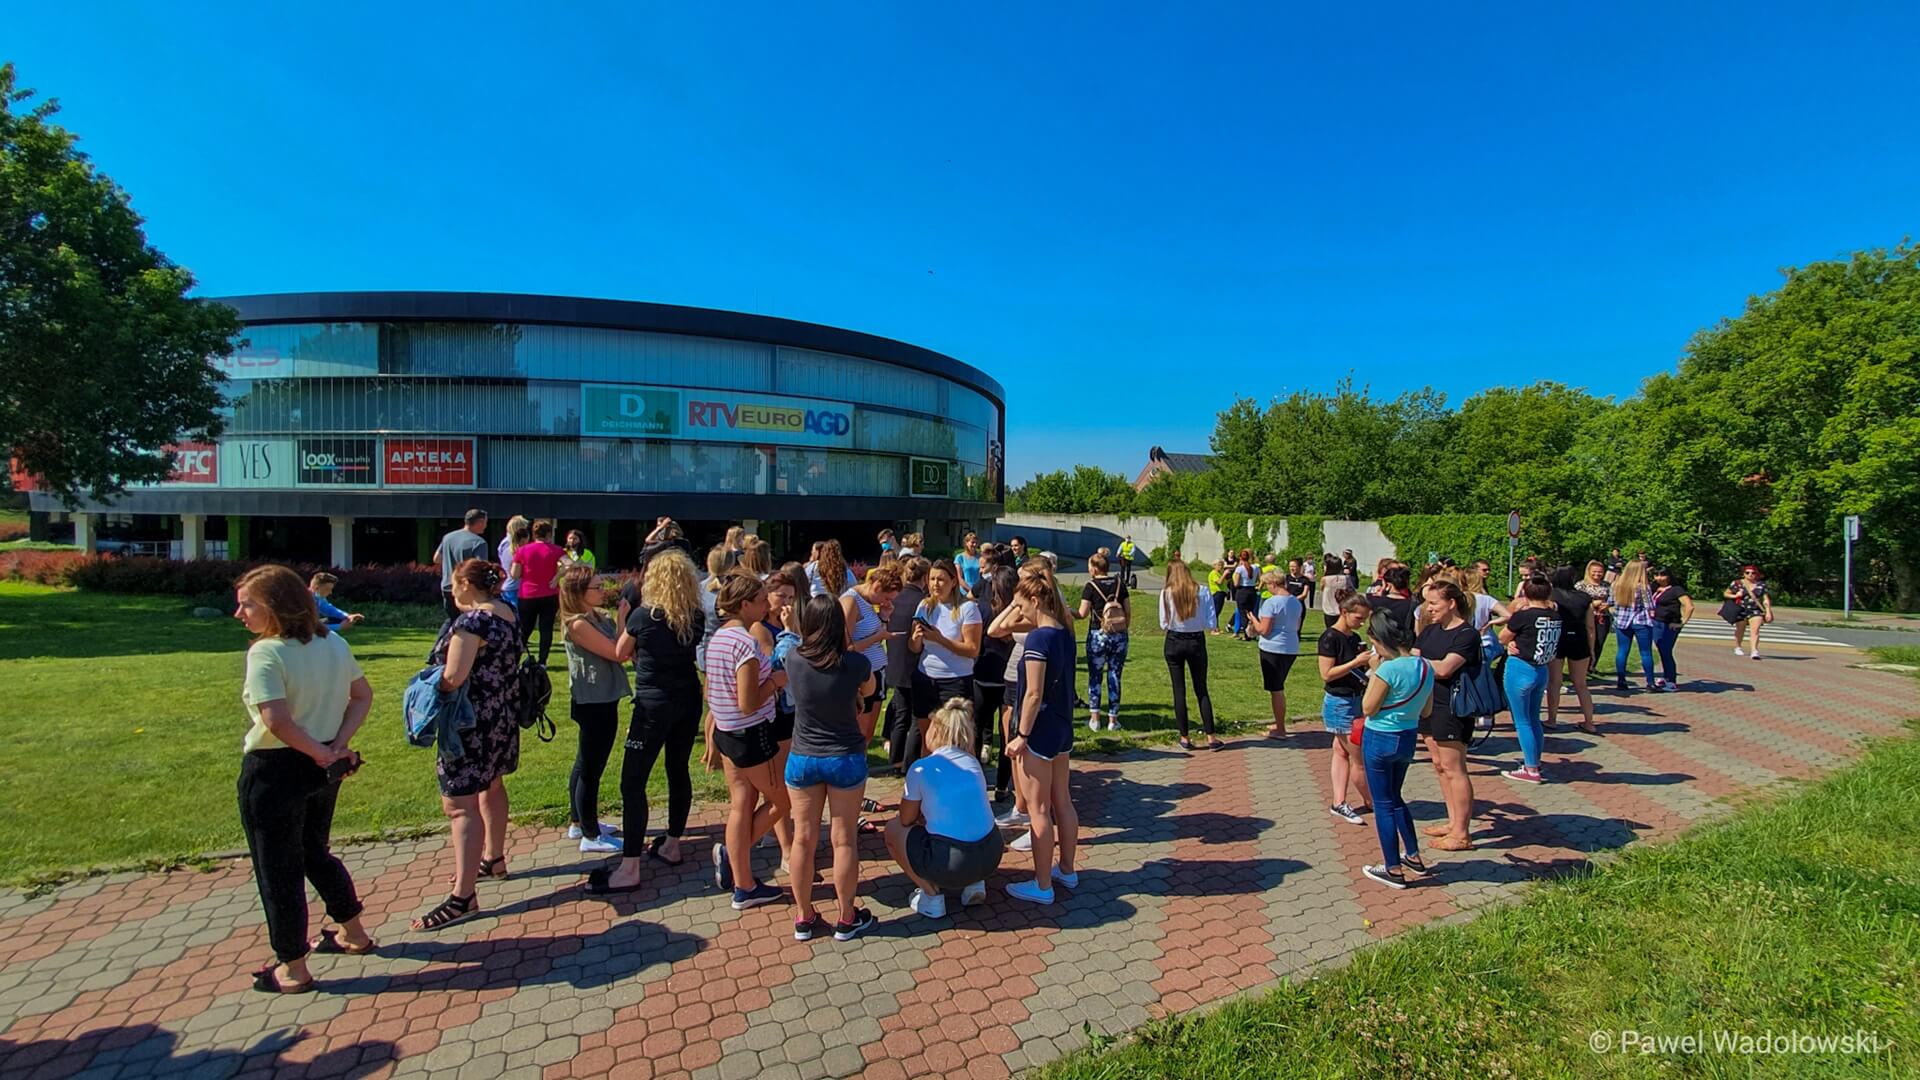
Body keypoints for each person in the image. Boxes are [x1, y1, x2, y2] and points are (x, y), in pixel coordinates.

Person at [233, 565, 374, 993]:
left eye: (247, 604)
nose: (239, 613)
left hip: (276, 769)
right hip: (323, 767)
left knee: (278, 867)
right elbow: (362, 695)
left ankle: (292, 965)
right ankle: (353, 931)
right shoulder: (331, 642)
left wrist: (320, 750)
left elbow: (275, 719)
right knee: (315, 851)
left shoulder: (267, 652)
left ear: (274, 606)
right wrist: (336, 746)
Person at [589, 549, 705, 894]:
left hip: (653, 704)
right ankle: (672, 842)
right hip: (687, 699)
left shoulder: (644, 616)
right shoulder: (694, 615)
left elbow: (622, 652)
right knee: (677, 769)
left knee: (633, 781)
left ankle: (629, 867)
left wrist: (623, 617)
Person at [415, 558, 521, 931]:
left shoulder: (472, 622)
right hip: (501, 719)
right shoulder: (507, 614)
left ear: (466, 583)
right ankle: (493, 857)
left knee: (459, 805)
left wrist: (427, 684)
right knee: (492, 785)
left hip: (469, 725)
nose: (451, 590)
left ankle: (464, 896)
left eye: (455, 583)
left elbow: (453, 677)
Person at [783, 595, 880, 941]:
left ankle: (804, 915)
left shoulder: (793, 658)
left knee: (803, 840)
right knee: (843, 840)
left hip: (804, 757)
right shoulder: (854, 664)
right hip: (844, 757)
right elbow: (869, 690)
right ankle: (846, 916)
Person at [704, 573, 791, 911]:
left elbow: (713, 688)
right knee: (781, 802)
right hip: (751, 731)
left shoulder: (719, 638)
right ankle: (735, 858)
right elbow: (749, 700)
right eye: (760, 600)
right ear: (744, 605)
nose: (766, 604)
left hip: (728, 731)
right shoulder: (745, 643)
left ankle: (742, 879)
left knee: (742, 804)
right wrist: (777, 682)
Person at [887, 698, 1004, 918]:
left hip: (952, 861)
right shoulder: (972, 762)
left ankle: (931, 896)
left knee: (893, 829)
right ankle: (975, 884)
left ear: (937, 732)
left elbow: (905, 819)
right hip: (991, 853)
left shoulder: (922, 767)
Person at [1002, 572, 1079, 904]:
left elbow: (1033, 694)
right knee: (1063, 799)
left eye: (1021, 606)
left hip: (1040, 730)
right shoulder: (1065, 632)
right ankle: (1068, 868)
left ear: (1036, 601)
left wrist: (1022, 735)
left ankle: (1043, 884)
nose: (1019, 614)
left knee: (1038, 809)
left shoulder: (1037, 639)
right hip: (1062, 727)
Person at [1357, 609, 1434, 890]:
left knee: (1383, 804)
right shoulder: (1424, 665)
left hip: (1380, 736)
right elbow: (1426, 709)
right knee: (1395, 796)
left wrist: (1376, 670)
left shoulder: (1388, 668)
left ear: (1380, 639)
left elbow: (1368, 706)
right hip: (1408, 735)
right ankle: (1412, 854)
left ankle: (1392, 868)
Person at [558, 565, 629, 854]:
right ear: (578, 593)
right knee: (590, 766)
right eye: (596, 588)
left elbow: (619, 643)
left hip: (604, 696)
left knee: (585, 761)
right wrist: (624, 617)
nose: (603, 592)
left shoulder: (596, 616)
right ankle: (590, 833)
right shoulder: (576, 624)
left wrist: (619, 620)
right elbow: (617, 652)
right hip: (593, 701)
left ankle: (579, 821)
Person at [1414, 580, 1479, 851]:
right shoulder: (1431, 631)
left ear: (1451, 603)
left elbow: (1444, 669)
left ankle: (1462, 834)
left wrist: (1412, 662)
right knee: (1439, 765)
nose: (1429, 609)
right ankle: (1453, 822)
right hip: (1428, 705)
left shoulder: (1466, 634)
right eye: (1428, 603)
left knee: (1454, 768)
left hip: (1452, 707)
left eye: (1434, 603)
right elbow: (1415, 653)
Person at [909, 560, 983, 761]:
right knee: (928, 739)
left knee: (961, 741)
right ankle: (929, 785)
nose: (935, 584)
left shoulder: (968, 608)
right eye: (932, 579)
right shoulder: (924, 606)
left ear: (953, 581)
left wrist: (940, 639)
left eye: (941, 579)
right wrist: (915, 639)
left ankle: (969, 782)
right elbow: (914, 647)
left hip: (955, 680)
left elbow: (972, 649)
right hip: (926, 678)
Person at [1498, 575, 1562, 785]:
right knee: (1534, 718)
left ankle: (1531, 768)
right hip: (1541, 667)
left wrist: (1512, 642)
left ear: (1525, 592)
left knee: (1522, 721)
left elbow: (1503, 637)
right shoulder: (1554, 615)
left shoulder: (1523, 616)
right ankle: (1534, 760)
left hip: (1520, 667)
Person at [1318, 592, 1374, 825]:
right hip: (1339, 701)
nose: (1361, 622)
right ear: (1344, 612)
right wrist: (1355, 663)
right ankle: (1373, 800)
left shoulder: (1354, 637)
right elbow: (1327, 673)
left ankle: (1339, 801)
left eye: (1364, 619)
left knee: (1341, 751)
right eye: (1358, 618)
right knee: (1357, 757)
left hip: (1356, 698)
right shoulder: (1330, 637)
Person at [842, 563, 904, 764]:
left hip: (877, 671)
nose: (886, 602)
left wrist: (884, 617)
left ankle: (862, 766)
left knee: (868, 730)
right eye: (886, 597)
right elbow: (846, 646)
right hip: (861, 674)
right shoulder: (851, 602)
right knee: (859, 730)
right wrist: (878, 635)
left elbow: (874, 634)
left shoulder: (870, 604)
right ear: (876, 587)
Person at [1158, 558, 1220, 751]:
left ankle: (1184, 736)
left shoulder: (1167, 592)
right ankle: (1211, 736)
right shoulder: (1201, 590)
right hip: (1195, 640)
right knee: (1201, 688)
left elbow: (1163, 623)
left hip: (1174, 640)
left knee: (1179, 690)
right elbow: (1211, 621)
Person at [882, 557, 931, 772]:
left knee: (900, 713)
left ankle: (895, 759)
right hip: (914, 662)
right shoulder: (923, 601)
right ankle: (909, 763)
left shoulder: (896, 597)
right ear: (925, 577)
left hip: (894, 661)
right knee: (915, 717)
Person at [1077, 551, 1129, 732]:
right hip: (1119, 635)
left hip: (1098, 634)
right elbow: (1127, 611)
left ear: (1093, 568)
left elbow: (1083, 614)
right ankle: (1113, 720)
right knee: (1115, 675)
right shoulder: (1119, 584)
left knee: (1095, 676)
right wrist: (1122, 628)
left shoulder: (1090, 586)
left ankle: (1095, 719)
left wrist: (1068, 611)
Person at [1249, 568, 1303, 739]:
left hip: (1273, 648)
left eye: (1267, 585)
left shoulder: (1271, 603)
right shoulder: (1295, 601)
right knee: (1278, 687)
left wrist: (1253, 620)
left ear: (1273, 584)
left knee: (1276, 689)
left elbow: (1264, 630)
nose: (1266, 589)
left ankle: (1280, 729)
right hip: (1290, 647)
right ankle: (1279, 723)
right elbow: (1297, 625)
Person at [1544, 566, 1598, 733]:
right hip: (1579, 638)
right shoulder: (1584, 597)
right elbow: (1590, 626)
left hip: (1558, 638)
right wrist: (1592, 649)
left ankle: (1552, 719)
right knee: (1581, 684)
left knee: (1554, 681)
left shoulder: (1551, 596)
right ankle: (1589, 722)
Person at [509, 520, 566, 664]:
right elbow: (571, 565)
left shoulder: (522, 550)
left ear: (533, 534)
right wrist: (557, 577)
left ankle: (515, 660)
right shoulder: (556, 550)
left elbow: (514, 574)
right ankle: (542, 661)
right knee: (546, 629)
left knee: (525, 629)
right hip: (549, 593)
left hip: (527, 594)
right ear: (549, 534)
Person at [431, 509, 490, 630]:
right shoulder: (478, 542)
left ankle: (440, 647)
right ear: (479, 522)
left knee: (452, 620)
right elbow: (481, 568)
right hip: (466, 589)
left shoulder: (448, 537)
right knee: (468, 622)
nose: (486, 526)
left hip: (448, 586)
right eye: (485, 522)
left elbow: (436, 558)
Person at [1610, 560, 1658, 692]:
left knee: (1622, 651)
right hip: (1640, 621)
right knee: (1646, 652)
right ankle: (1650, 682)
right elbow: (1650, 606)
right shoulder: (1642, 587)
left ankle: (1621, 681)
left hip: (1622, 621)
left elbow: (1610, 602)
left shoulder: (1616, 585)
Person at [1650, 566, 1694, 689]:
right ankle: (1666, 676)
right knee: (1661, 650)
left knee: (1666, 651)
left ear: (1669, 576)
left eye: (1662, 575)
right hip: (1656, 622)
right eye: (1656, 575)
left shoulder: (1676, 589)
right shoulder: (1654, 588)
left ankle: (1671, 680)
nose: (1659, 578)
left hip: (1669, 624)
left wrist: (1682, 622)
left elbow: (1689, 606)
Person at [1725, 565, 1773, 659]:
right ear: (1744, 574)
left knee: (1755, 630)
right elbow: (1726, 593)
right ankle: (1738, 646)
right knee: (1740, 629)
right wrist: (1735, 596)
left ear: (1756, 574)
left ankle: (1754, 651)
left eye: (1753, 573)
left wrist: (1768, 611)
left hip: (1755, 610)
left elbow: (1766, 600)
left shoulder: (1761, 585)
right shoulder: (1737, 583)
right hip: (1740, 608)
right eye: (1747, 572)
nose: (1750, 574)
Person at [497, 517, 531, 610]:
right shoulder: (509, 545)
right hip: (513, 586)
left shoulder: (507, 543)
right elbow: (511, 564)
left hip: (511, 585)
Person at [1371, 564, 1416, 629]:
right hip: (1404, 637)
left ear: (1388, 585)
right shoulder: (1412, 604)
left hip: (1381, 637)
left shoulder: (1377, 602)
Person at [1231, 549, 1259, 640]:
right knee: (1251, 613)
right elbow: (1260, 579)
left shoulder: (1240, 569)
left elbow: (1236, 583)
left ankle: (1246, 635)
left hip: (1243, 590)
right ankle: (1252, 631)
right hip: (1252, 590)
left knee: (1242, 613)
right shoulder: (1255, 567)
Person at [1319, 556, 1353, 631]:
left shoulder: (1325, 579)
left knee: (1331, 630)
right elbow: (1351, 590)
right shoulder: (1346, 578)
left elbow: (1321, 589)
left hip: (1329, 609)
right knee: (1342, 630)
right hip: (1342, 608)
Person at [954, 532, 984, 597]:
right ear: (966, 543)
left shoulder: (980, 557)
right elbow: (959, 578)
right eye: (972, 542)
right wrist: (971, 591)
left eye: (976, 542)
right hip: (964, 592)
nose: (975, 544)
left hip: (979, 591)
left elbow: (983, 575)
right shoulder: (960, 557)